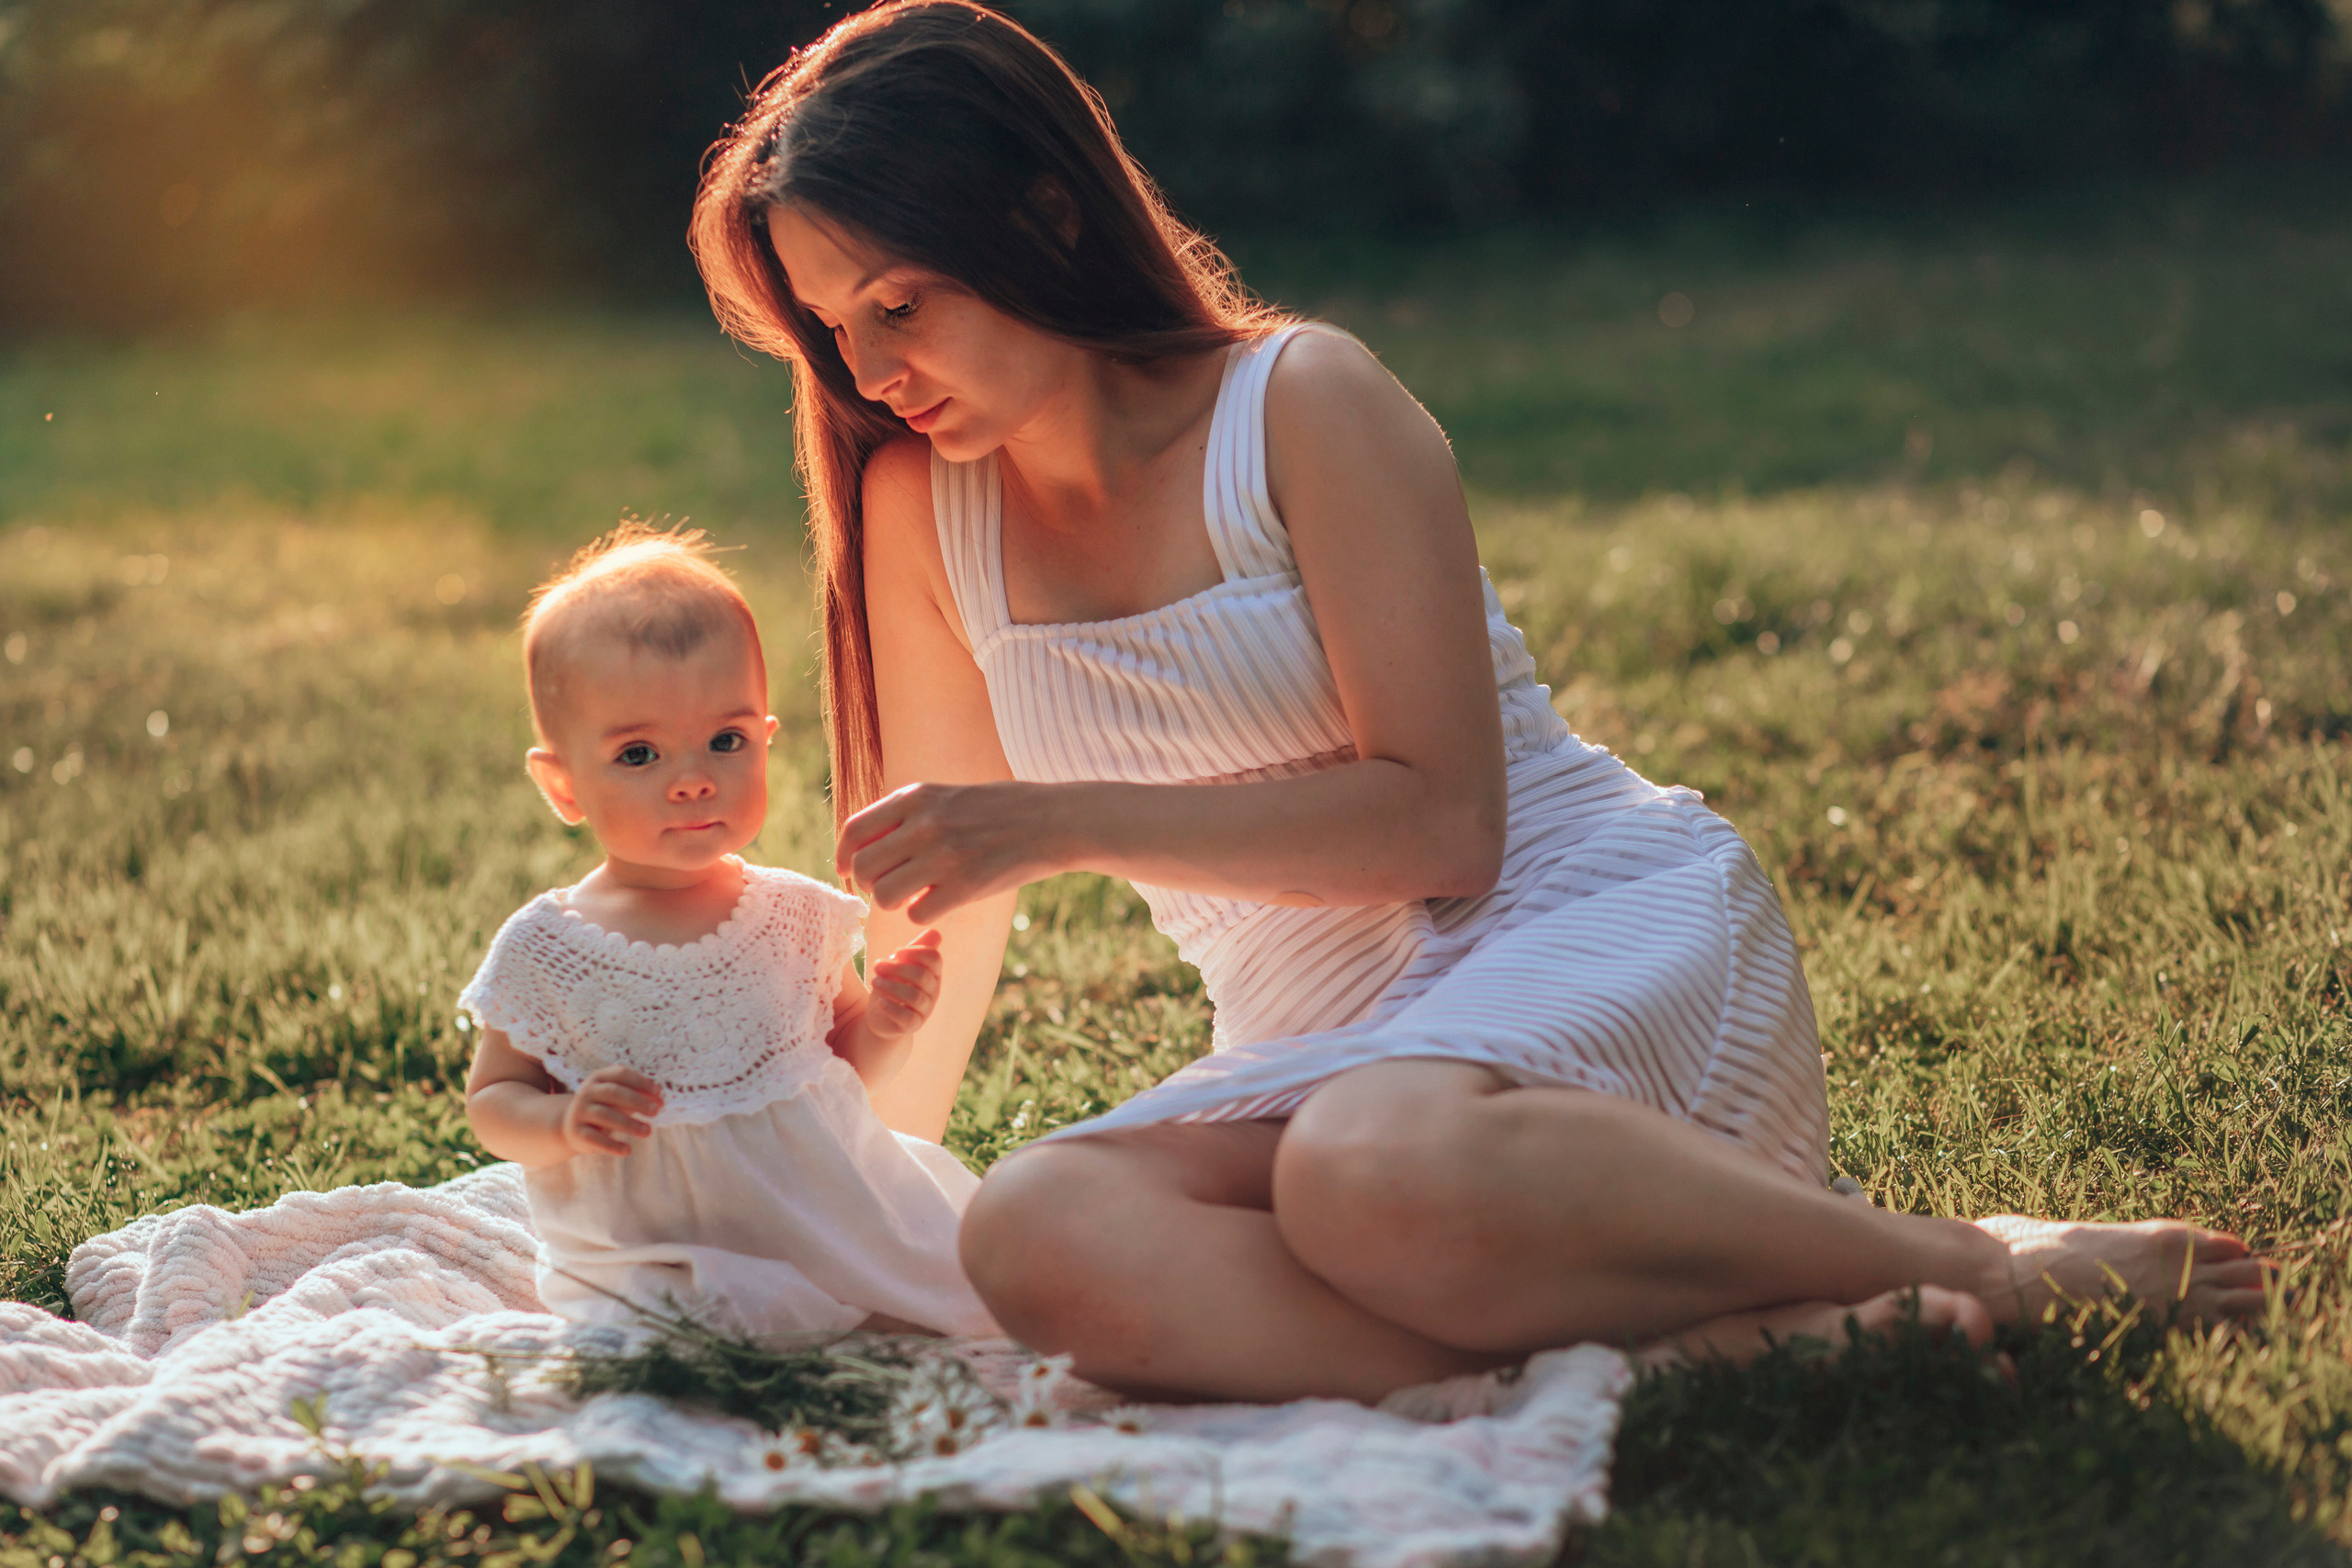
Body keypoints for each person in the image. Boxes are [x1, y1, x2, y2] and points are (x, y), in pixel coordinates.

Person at [688, 0, 2268, 1403]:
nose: (871, 364)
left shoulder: (1302, 403)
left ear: (1039, 209)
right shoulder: (922, 511)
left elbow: (1443, 824)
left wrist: (1051, 823)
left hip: (1574, 934)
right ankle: (1740, 1351)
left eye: (899, 301)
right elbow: (936, 932)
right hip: (1323, 1056)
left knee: (1375, 1169)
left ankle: (1973, 1262)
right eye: (834, 328)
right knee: (1038, 1227)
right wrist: (827, 1195)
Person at [459, 525, 996, 1339]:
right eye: (639, 754)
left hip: (823, 1218)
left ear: (766, 740)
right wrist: (563, 1124)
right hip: (652, 1252)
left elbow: (848, 1067)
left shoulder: (795, 917)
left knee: (957, 1278)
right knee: (683, 1338)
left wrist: (887, 1022)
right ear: (563, 784)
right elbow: (494, 1100)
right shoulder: (550, 949)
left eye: (726, 740)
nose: (695, 777)